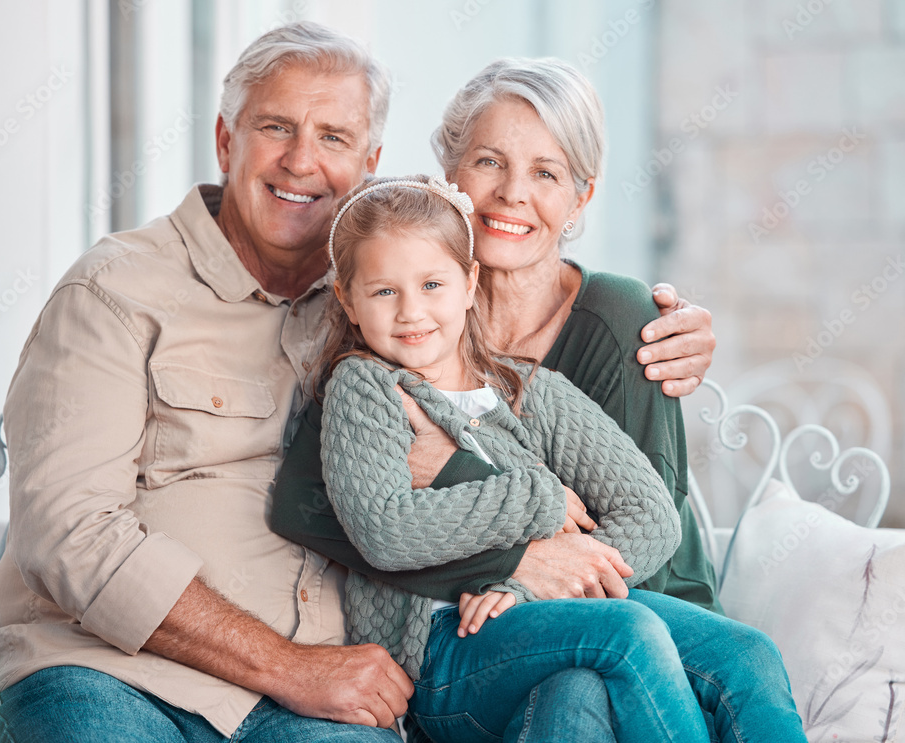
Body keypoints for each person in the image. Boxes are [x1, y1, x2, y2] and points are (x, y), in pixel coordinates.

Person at [0, 22, 718, 743]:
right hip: (110, 671)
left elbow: (518, 366)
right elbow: (71, 536)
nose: (302, 161)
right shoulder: (117, 291)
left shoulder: (387, 299)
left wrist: (667, 325)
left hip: (327, 699)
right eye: (275, 128)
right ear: (225, 140)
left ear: (370, 163)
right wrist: (289, 664)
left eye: (333, 138)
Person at [270, 59, 807, 742]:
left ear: (582, 197)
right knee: (593, 667)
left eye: (546, 173)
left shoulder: (563, 363)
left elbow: (649, 518)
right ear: (450, 174)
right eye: (489, 161)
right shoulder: (379, 352)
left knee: (741, 655)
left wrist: (522, 570)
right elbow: (328, 510)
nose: (513, 193)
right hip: (464, 635)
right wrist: (534, 509)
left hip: (631, 597)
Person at [313, 172, 719, 741]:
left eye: (432, 284)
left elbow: (653, 517)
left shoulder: (530, 390)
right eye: (384, 291)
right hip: (443, 639)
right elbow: (384, 530)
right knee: (628, 632)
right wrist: (539, 496)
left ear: (469, 280)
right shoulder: (368, 386)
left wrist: (532, 583)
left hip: (536, 615)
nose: (410, 312)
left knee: (745, 654)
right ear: (348, 300)